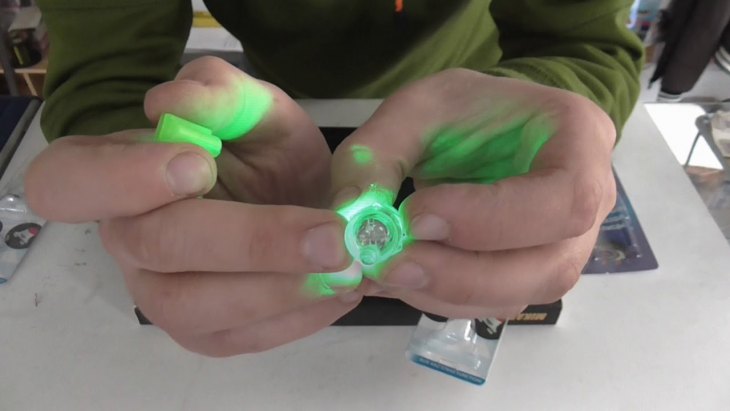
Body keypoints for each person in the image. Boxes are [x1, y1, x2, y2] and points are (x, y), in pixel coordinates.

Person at [25, 0, 643, 357]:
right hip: (260, 116)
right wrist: (144, 173)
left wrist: (550, 110)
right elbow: (109, 75)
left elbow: (585, 45)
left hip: (486, 112)